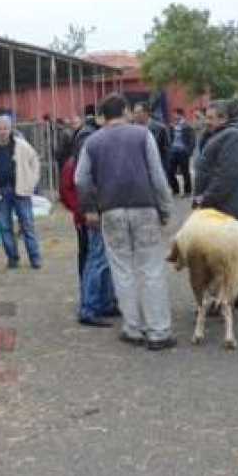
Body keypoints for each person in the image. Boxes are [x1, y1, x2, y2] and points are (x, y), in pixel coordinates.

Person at [75, 93, 175, 350]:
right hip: (145, 208)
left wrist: (90, 208)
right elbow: (157, 176)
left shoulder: (92, 141)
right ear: (126, 111)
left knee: (122, 270)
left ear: (103, 115)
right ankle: (158, 331)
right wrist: (165, 209)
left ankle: (132, 328)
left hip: (111, 211)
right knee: (151, 269)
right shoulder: (143, 135)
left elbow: (80, 179)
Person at [193, 100, 238, 309]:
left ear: (224, 118)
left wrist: (206, 198)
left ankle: (229, 296)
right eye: (206, 117)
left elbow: (226, 175)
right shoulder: (218, 134)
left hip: (226, 205)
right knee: (227, 251)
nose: (206, 121)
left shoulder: (233, 137)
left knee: (225, 253)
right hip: (221, 204)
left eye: (210, 118)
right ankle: (234, 295)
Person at [59, 129, 117, 327]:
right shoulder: (76, 166)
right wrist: (83, 212)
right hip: (89, 218)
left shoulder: (79, 163)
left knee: (103, 260)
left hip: (94, 214)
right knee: (96, 260)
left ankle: (105, 302)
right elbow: (68, 193)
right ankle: (90, 307)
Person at [0, 115, 42, 270]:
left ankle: (35, 258)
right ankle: (12, 258)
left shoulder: (22, 146)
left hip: (21, 191)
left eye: (5, 128)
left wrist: (31, 182)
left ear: (10, 129)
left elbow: (35, 162)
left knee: (28, 225)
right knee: (4, 227)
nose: (2, 132)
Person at [133, 102, 171, 179]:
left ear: (146, 113)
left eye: (138, 112)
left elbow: (166, 152)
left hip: (155, 170)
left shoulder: (160, 129)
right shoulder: (131, 129)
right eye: (134, 113)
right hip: (138, 172)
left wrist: (163, 171)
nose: (136, 115)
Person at [167, 108, 196, 197]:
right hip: (173, 152)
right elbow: (169, 138)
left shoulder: (187, 126)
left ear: (180, 115)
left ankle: (187, 191)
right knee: (170, 171)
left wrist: (188, 151)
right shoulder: (172, 126)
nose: (174, 116)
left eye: (175, 114)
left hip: (183, 152)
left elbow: (192, 139)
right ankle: (175, 190)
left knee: (185, 172)